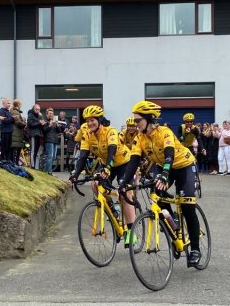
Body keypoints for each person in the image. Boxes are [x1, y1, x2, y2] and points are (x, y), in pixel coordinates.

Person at [117, 100, 201, 265]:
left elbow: (169, 154)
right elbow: (133, 162)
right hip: (164, 168)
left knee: (187, 205)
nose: (135, 124)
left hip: (183, 165)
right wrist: (123, 183)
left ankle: (196, 249)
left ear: (149, 119)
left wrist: (164, 174)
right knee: (155, 192)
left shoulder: (165, 132)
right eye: (134, 120)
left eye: (138, 120)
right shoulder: (139, 138)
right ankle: (172, 219)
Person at [69, 105, 136, 246]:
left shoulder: (110, 131)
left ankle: (131, 231)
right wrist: (75, 174)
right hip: (106, 163)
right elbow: (83, 156)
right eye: (87, 121)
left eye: (92, 120)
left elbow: (112, 150)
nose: (90, 123)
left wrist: (107, 168)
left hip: (123, 162)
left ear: (99, 120)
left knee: (125, 194)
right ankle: (113, 211)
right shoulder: (87, 134)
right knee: (95, 184)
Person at [41, 108, 64, 174]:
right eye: (50, 113)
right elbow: (44, 130)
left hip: (55, 140)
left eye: (52, 114)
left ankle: (45, 171)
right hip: (48, 140)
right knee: (50, 156)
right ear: (47, 114)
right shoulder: (45, 121)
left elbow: (59, 131)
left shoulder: (55, 121)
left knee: (53, 157)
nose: (51, 115)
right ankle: (49, 172)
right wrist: (50, 125)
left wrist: (57, 125)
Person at [27, 104, 45, 169]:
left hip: (38, 134)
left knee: (36, 151)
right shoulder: (30, 114)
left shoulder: (39, 115)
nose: (37, 111)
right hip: (33, 134)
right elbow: (30, 124)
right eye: (36, 109)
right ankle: (32, 165)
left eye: (39, 109)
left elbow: (41, 123)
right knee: (33, 150)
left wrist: (42, 123)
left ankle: (34, 165)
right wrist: (39, 123)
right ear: (33, 109)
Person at [10, 99, 26, 163]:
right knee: (15, 151)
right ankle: (15, 164)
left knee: (15, 151)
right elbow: (18, 123)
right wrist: (24, 123)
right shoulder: (16, 112)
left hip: (16, 134)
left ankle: (15, 163)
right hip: (16, 134)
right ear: (18, 104)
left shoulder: (14, 112)